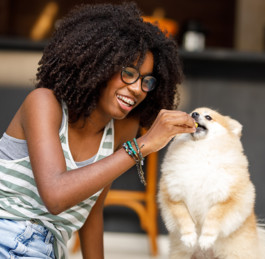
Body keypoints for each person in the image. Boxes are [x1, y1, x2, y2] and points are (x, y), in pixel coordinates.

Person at [0, 2, 196, 259]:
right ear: (100, 67)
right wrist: (142, 146)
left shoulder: (123, 129)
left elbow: (92, 210)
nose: (137, 88)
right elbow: (56, 196)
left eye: (146, 80)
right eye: (128, 72)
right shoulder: (44, 103)